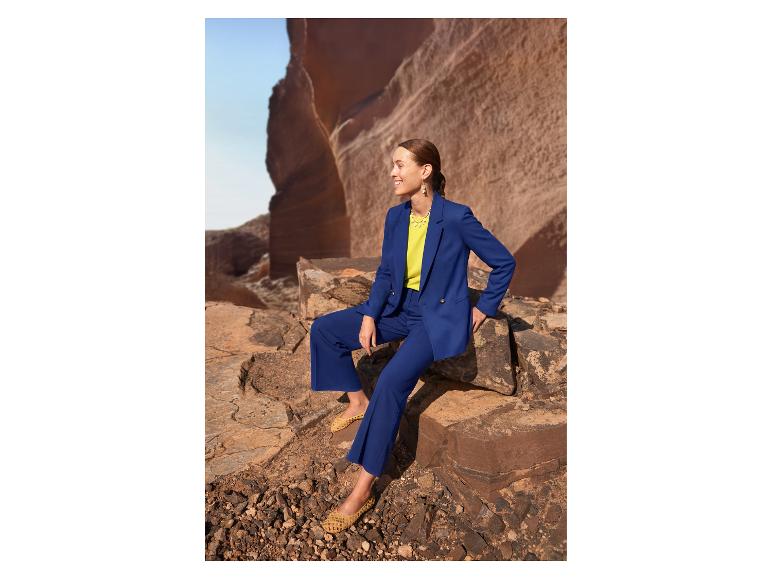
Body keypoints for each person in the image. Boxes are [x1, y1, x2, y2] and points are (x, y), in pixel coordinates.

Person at [309, 138, 516, 533]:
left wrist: (484, 307)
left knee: (391, 382)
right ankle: (358, 401)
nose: (393, 172)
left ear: (425, 172)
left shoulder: (456, 217)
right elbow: (387, 272)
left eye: (400, 165)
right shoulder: (395, 216)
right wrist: (370, 315)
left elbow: (504, 262)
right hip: (397, 308)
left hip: (433, 320)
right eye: (393, 164)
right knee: (325, 330)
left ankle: (362, 490)